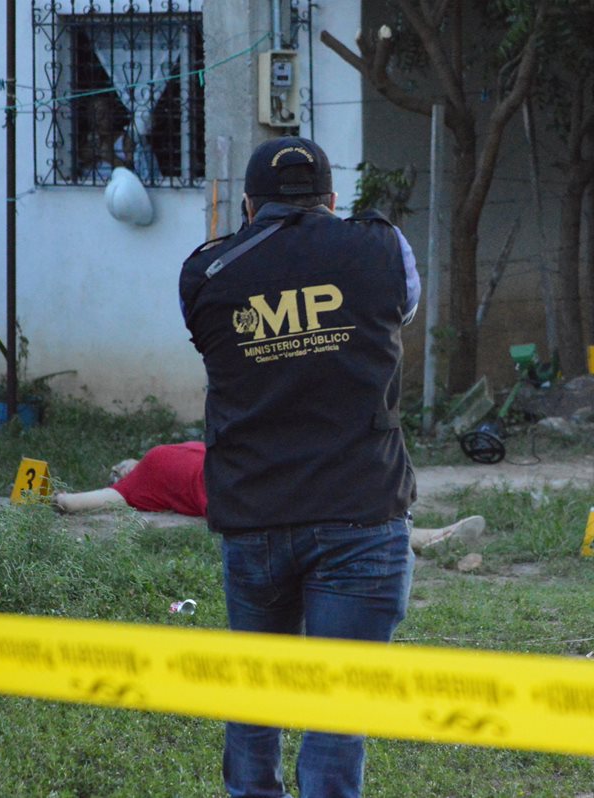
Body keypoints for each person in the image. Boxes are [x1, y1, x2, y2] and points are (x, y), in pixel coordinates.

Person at [179, 136, 419, 798]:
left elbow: (211, 341)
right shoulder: (381, 249)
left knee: (255, 701)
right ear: (333, 200)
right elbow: (401, 310)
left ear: (249, 206)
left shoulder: (207, 273)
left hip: (256, 514)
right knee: (337, 715)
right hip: (362, 513)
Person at [53, 441, 484, 551]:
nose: (120, 470)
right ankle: (419, 536)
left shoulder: (165, 451)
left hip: (253, 470)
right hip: (241, 490)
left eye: (118, 467)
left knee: (331, 498)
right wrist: (57, 499)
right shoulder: (134, 486)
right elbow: (81, 502)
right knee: (325, 513)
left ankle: (412, 534)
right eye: (117, 473)